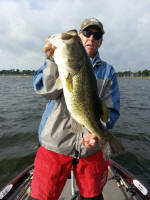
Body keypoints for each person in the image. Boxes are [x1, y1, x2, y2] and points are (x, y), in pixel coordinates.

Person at [29, 18, 120, 200]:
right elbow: (44, 91)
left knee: (93, 197)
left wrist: (96, 133)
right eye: (86, 33)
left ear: (101, 41)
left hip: (90, 149)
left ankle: (103, 139)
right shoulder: (58, 59)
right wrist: (51, 61)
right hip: (56, 142)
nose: (91, 38)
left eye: (97, 35)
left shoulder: (108, 72)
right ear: (80, 36)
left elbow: (110, 111)